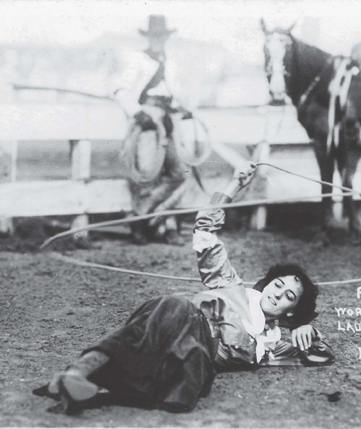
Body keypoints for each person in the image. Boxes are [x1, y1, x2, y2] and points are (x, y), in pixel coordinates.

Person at [33, 163, 335, 415]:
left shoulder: (271, 343)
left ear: (291, 308)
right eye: (277, 284)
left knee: (161, 329)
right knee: (171, 308)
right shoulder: (232, 287)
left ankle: (77, 379)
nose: (277, 293)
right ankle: (77, 377)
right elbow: (205, 230)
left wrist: (306, 332)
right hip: (178, 329)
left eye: (288, 296)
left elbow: (320, 357)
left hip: (192, 365)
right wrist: (233, 185)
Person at [115, 15, 195, 245]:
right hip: (148, 120)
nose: (158, 40)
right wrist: (139, 114)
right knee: (147, 172)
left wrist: (182, 109)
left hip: (169, 119)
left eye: (162, 36)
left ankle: (157, 222)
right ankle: (146, 225)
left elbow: (176, 95)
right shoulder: (138, 60)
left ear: (167, 37)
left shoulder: (171, 63)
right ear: (149, 37)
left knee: (181, 173)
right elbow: (120, 91)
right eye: (155, 36)